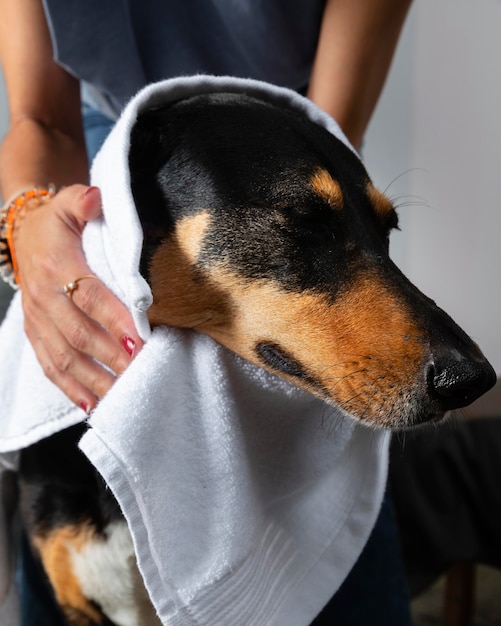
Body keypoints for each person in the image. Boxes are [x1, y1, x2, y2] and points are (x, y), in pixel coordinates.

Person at [0, 1, 413, 624]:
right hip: (98, 157)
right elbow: (40, 118)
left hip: (283, 146)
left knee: (323, 523)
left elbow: (331, 124)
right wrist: (25, 225)